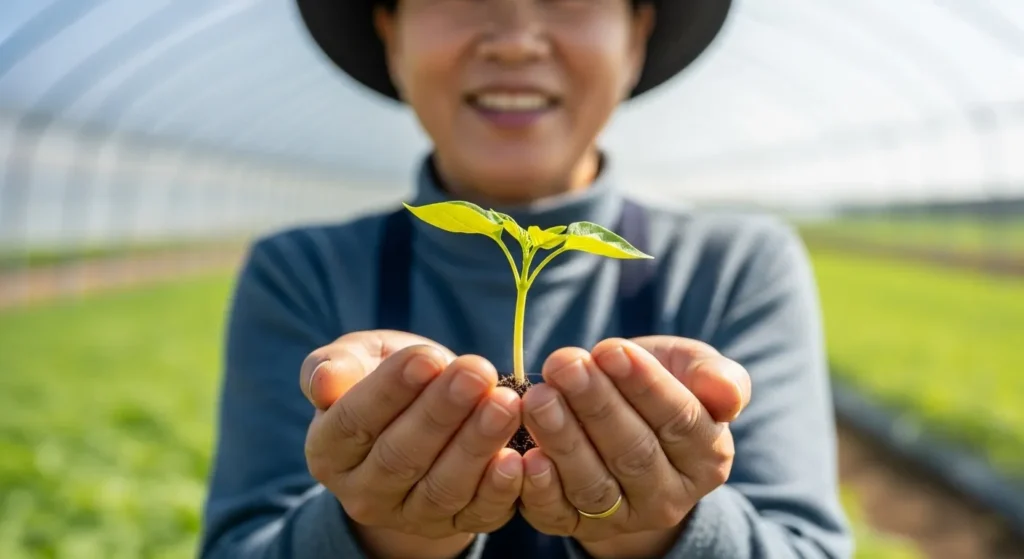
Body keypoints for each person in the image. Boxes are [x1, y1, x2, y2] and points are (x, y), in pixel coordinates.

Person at [198, 0, 853, 557]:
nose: (514, 42)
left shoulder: (736, 265)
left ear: (636, 35)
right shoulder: (302, 272)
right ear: (391, 34)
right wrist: (383, 531)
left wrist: (661, 528)